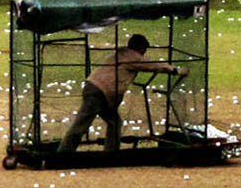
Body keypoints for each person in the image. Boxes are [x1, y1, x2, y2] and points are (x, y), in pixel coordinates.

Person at [58, 34, 187, 153]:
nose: (144, 53)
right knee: (81, 124)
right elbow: (152, 65)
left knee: (115, 122)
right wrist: (175, 70)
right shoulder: (131, 56)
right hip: (98, 91)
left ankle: (111, 152)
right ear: (139, 48)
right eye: (144, 50)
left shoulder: (124, 54)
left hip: (100, 92)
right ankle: (63, 154)